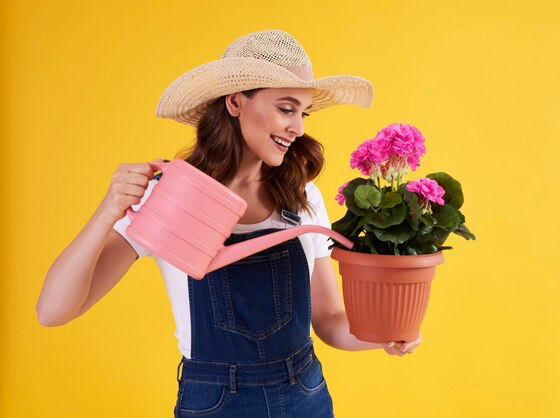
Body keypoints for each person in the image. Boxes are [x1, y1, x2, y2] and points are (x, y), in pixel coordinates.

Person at [36, 29, 422, 417]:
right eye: (287, 109)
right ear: (236, 102)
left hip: (306, 395)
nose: (299, 128)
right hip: (217, 404)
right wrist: (107, 211)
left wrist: (385, 336)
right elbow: (53, 312)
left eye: (303, 113)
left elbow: (329, 322)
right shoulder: (171, 197)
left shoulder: (302, 196)